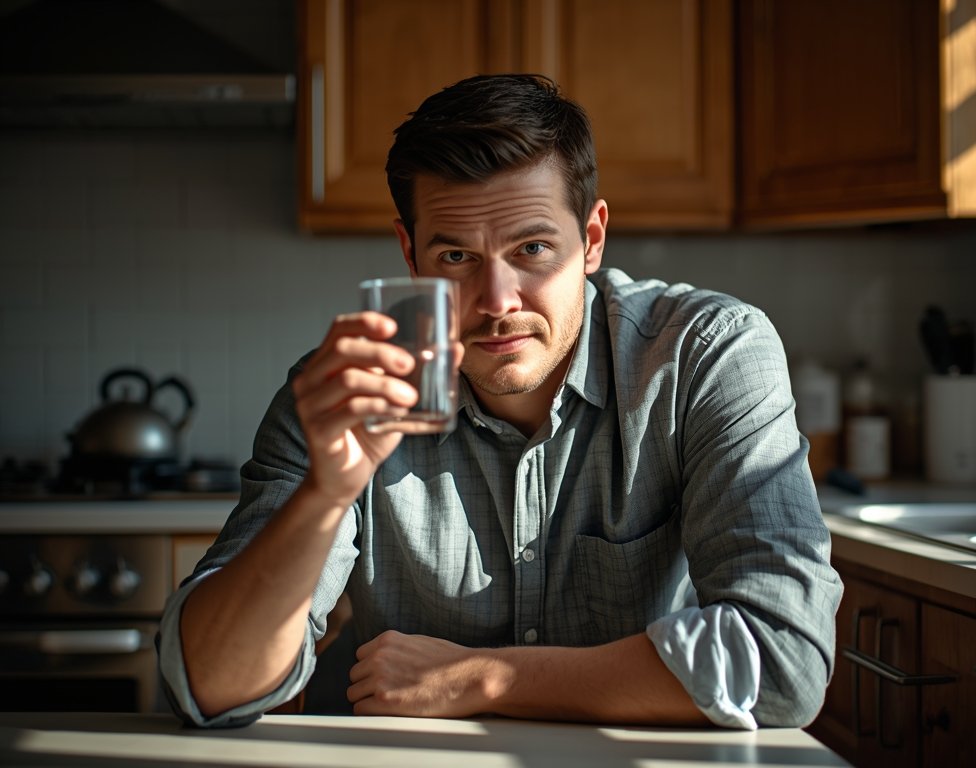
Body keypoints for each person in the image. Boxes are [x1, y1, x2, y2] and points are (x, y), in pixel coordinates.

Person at [157, 73, 843, 730]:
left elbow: (783, 658)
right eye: (456, 257)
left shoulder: (705, 356)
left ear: (592, 239)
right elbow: (207, 689)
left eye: (534, 248)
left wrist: (487, 677)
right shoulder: (346, 395)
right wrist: (323, 495)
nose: (496, 303)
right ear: (411, 253)